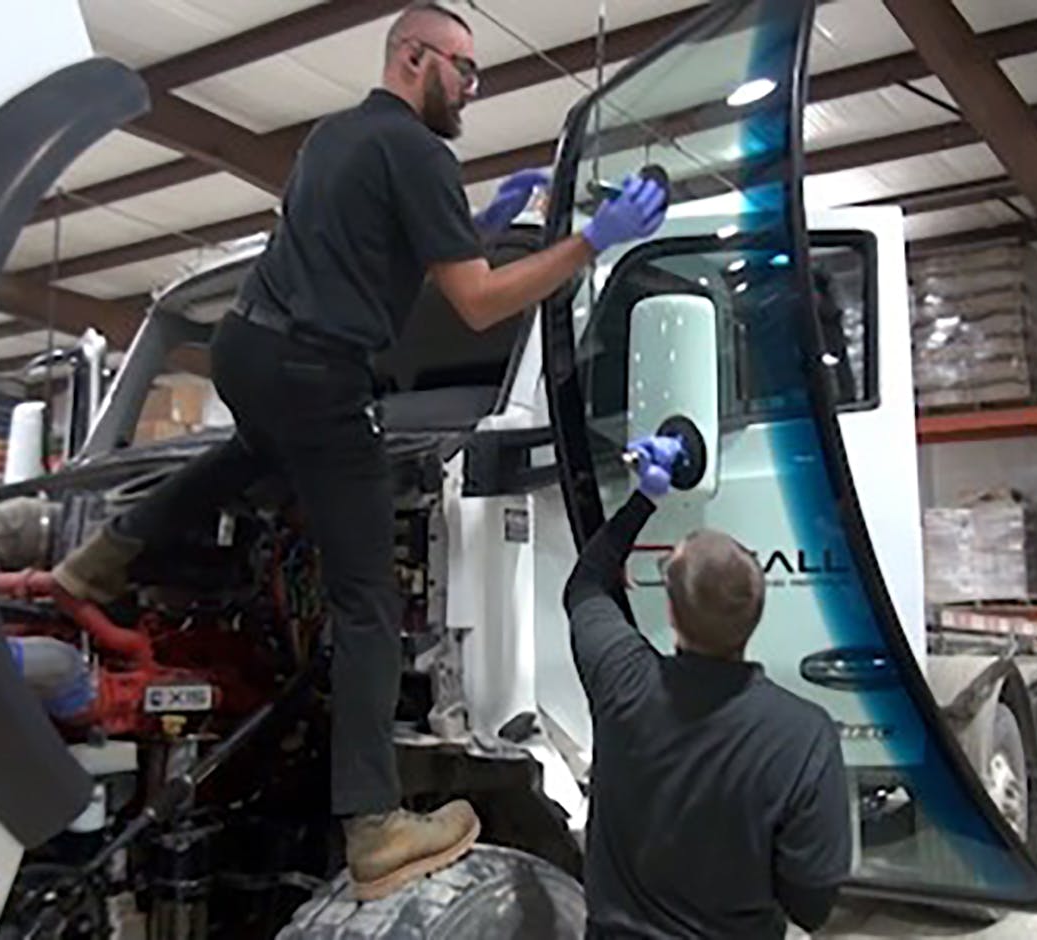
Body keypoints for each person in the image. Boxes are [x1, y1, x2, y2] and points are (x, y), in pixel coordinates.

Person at [48, 1, 668, 902]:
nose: (471, 88)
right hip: (318, 374)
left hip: (246, 352)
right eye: (463, 68)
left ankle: (97, 563)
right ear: (414, 57)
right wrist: (587, 242)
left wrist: (483, 226)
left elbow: (376, 258)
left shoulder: (332, 138)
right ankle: (374, 824)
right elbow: (482, 307)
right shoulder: (418, 152)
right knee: (369, 600)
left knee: (250, 452)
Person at [563, 435, 853, 937]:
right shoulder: (804, 736)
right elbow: (812, 904)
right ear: (755, 617)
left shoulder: (622, 681)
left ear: (672, 613)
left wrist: (645, 498)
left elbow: (585, 584)